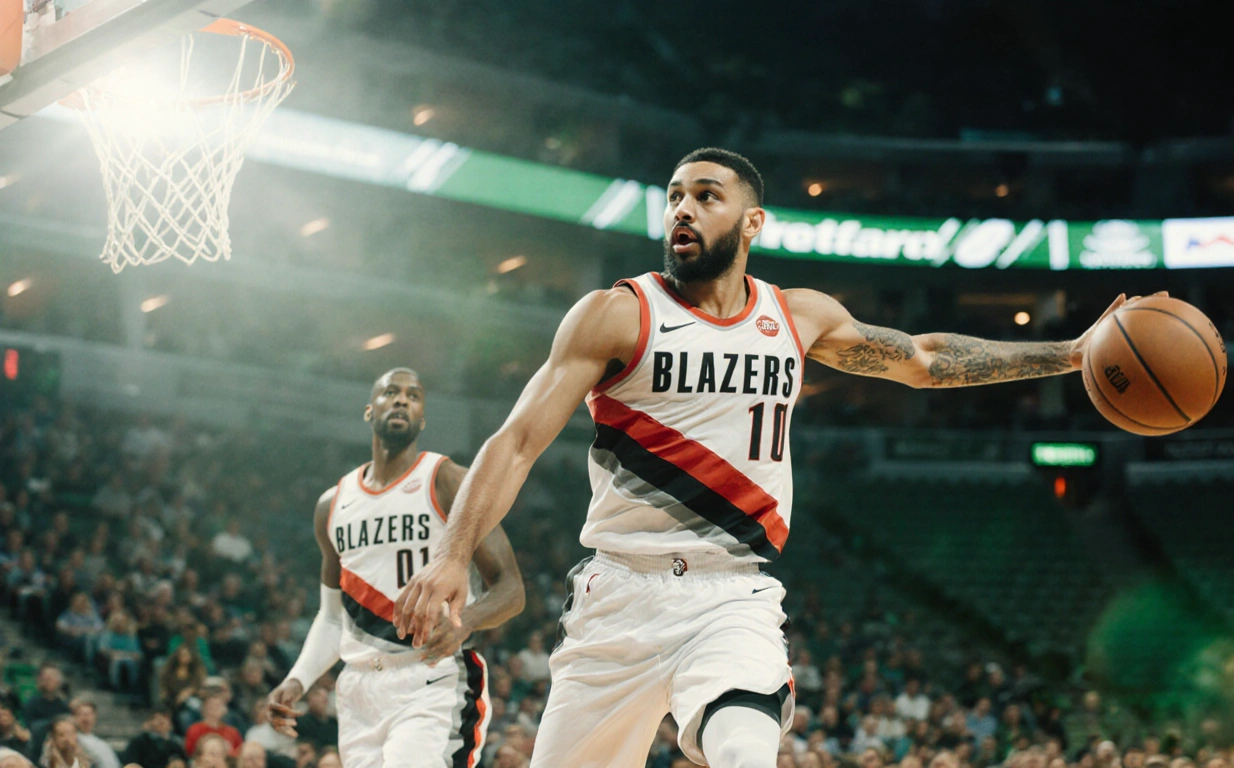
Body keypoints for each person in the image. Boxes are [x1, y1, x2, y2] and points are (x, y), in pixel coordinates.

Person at [394, 147, 1147, 768]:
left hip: (732, 596)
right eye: (675, 195)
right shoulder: (618, 312)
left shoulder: (798, 316)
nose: (683, 209)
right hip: (616, 599)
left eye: (706, 196)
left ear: (752, 221)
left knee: (745, 749)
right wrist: (454, 556)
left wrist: (1072, 353)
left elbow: (921, 359)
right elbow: (517, 440)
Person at [267, 368, 526, 768]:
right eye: (391, 392)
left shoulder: (447, 480)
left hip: (429, 677)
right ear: (370, 411)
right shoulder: (332, 505)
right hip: (357, 691)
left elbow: (511, 589)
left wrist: (468, 620)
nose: (402, 399)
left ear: (422, 419)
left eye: (413, 395)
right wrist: (297, 679)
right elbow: (333, 619)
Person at [123, 709, 187, 768]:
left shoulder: (175, 744)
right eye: (156, 718)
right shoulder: (138, 742)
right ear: (148, 722)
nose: (161, 721)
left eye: (164, 717)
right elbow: (130, 763)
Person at [183, 693, 242, 758]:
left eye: (218, 705)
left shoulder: (232, 732)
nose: (214, 707)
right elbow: (190, 753)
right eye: (211, 704)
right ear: (203, 708)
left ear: (225, 709)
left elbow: (239, 753)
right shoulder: (195, 729)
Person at [70, 699, 121, 768]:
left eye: (89, 714)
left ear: (95, 716)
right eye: (80, 714)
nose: (85, 717)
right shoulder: (72, 740)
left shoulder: (103, 744)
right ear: (74, 717)